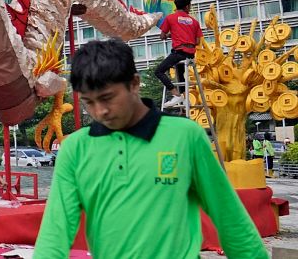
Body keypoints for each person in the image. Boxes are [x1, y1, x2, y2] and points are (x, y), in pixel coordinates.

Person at [34, 38, 267, 258]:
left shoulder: (185, 136)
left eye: (107, 98)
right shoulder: (76, 148)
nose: (100, 111)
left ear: (134, 84)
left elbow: (228, 215)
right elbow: (56, 230)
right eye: (89, 102)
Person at [154, 0, 201, 109]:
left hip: (179, 53)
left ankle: (176, 94)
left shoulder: (170, 18)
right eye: (190, 6)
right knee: (180, 74)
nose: (190, 8)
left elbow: (162, 36)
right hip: (190, 54)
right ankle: (185, 99)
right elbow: (198, 41)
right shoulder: (194, 22)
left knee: (159, 71)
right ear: (186, 6)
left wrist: (169, 35)